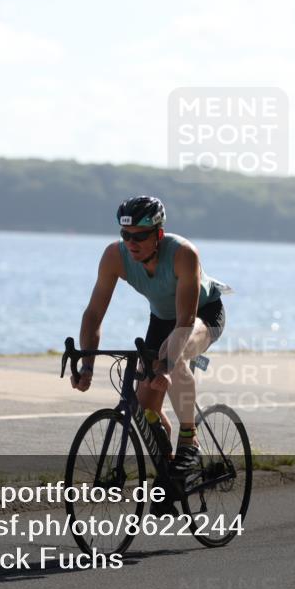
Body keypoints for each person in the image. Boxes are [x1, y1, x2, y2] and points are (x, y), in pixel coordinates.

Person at [70, 195, 226, 479]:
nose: (132, 243)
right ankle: (169, 477)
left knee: (173, 356)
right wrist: (87, 365)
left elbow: (185, 321)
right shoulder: (114, 257)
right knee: (144, 410)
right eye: (126, 234)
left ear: (159, 234)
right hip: (161, 320)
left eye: (140, 236)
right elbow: (93, 314)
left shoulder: (183, 254)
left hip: (201, 315)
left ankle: (190, 440)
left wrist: (166, 367)